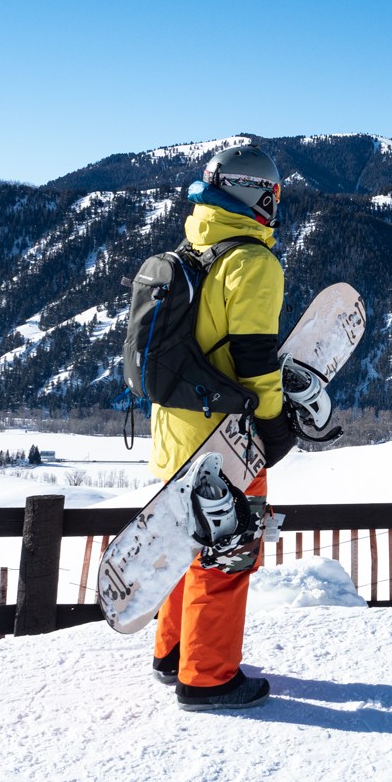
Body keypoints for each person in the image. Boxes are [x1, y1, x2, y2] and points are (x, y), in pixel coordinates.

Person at [149, 141, 296, 711]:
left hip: (174, 432)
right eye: (271, 194)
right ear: (254, 194)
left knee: (185, 539)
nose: (275, 204)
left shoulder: (191, 249)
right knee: (228, 550)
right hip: (224, 440)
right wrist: (273, 423)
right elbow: (256, 360)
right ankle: (207, 677)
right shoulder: (252, 263)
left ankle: (174, 652)